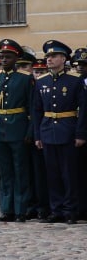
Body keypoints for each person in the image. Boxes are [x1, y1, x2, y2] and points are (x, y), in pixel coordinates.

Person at [31, 39, 86, 224]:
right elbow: (37, 110)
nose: (49, 59)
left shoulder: (74, 81)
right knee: (52, 174)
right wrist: (37, 135)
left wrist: (80, 134)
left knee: (69, 174)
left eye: (54, 56)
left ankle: (70, 210)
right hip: (47, 131)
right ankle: (56, 209)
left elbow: (84, 108)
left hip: (68, 131)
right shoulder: (41, 82)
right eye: (47, 56)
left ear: (63, 59)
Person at [0, 38, 35, 222]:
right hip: (0, 129)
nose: (3, 60)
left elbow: (31, 108)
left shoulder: (25, 78)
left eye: (8, 57)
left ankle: (21, 209)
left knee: (20, 171)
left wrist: (30, 132)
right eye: (2, 57)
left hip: (18, 127)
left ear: (16, 58)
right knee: (5, 172)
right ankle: (7, 209)